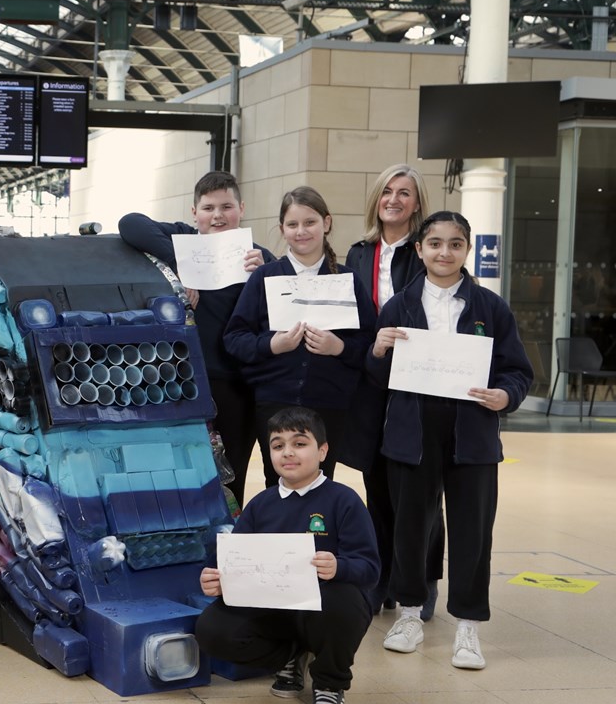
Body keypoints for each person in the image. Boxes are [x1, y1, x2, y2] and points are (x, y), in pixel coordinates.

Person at [367, 211, 532, 670]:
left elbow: (517, 370)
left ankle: (468, 627)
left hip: (472, 432)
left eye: (455, 244)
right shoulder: (398, 305)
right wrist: (378, 349)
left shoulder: (490, 307)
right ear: (418, 249)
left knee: (472, 530)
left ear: (467, 250)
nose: (444, 252)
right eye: (434, 243)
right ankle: (408, 615)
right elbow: (377, 377)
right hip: (411, 433)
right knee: (410, 528)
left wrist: (505, 395)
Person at [195, 407, 379, 704]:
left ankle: (329, 684)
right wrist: (216, 578)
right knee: (212, 629)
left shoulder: (344, 501)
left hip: (324, 608)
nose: (287, 452)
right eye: (278, 446)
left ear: (322, 450)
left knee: (344, 602)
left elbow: (369, 568)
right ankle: (291, 655)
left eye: (299, 443)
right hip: (275, 608)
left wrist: (339, 567)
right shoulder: (261, 505)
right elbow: (234, 559)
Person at [118, 171, 274, 507]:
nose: (217, 216)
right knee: (183, 471)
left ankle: (227, 545)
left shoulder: (258, 257)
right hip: (184, 380)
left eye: (226, 207)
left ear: (242, 208)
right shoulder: (182, 240)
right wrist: (180, 265)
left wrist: (269, 272)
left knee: (234, 475)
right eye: (208, 208)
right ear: (194, 212)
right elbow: (130, 223)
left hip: (237, 384)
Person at [342, 165, 444, 616]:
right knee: (377, 483)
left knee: (420, 487)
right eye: (387, 191)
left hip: (419, 380)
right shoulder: (359, 253)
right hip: (372, 378)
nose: (394, 199)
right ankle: (383, 575)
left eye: (404, 193)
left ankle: (422, 579)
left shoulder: (425, 252)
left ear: (417, 203)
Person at [224, 186, 376, 487]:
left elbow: (369, 347)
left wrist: (339, 347)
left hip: (329, 404)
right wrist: (271, 344)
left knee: (321, 486)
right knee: (277, 484)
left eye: (310, 222)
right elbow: (235, 338)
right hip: (273, 402)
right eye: (292, 225)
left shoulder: (346, 281)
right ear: (282, 229)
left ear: (327, 223)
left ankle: (316, 537)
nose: (301, 231)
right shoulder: (265, 277)